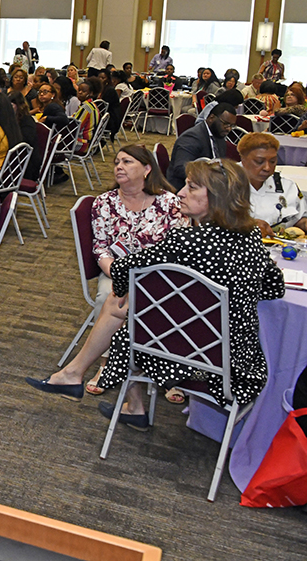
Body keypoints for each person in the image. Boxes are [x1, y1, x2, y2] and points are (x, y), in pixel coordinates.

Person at [73, 159, 283, 427]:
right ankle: (106, 391)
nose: (180, 193)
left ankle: (114, 394)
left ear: (217, 197)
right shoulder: (251, 235)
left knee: (127, 327)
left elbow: (124, 268)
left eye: (192, 187)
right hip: (238, 367)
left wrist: (126, 292)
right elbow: (275, 287)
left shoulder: (185, 241)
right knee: (130, 317)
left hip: (186, 360)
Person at [25, 146, 186, 401]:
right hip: (115, 270)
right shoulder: (104, 202)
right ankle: (106, 363)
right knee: (107, 296)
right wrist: (119, 274)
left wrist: (143, 279)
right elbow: (100, 248)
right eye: (117, 162)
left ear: (147, 169)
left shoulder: (169, 202)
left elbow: (177, 250)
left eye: (127, 162)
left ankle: (167, 371)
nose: (119, 166)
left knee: (154, 303)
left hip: (160, 276)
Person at [237, 133, 307, 237]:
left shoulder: (287, 186)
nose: (267, 168)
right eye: (259, 162)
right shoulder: (223, 184)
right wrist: (246, 225)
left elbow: (298, 219)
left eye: (273, 161)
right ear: (243, 159)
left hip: (280, 244)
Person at [167, 103, 235, 190]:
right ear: (211, 118)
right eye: (225, 124)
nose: (228, 129)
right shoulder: (192, 138)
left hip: (208, 186)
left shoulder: (219, 135)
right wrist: (211, 176)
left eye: (231, 126)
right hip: (186, 188)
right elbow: (181, 168)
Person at [8, 92, 43, 181]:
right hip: (17, 160)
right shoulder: (10, 119)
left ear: (19, 106)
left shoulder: (27, 121)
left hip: (26, 163)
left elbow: (24, 141)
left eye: (10, 105)